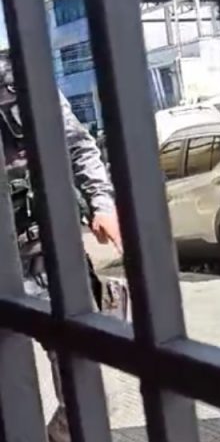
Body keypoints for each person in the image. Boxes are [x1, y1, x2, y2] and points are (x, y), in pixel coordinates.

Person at [0, 54, 125, 442]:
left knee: (82, 391)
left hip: (47, 250)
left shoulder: (18, 80)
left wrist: (102, 205)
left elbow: (78, 146)